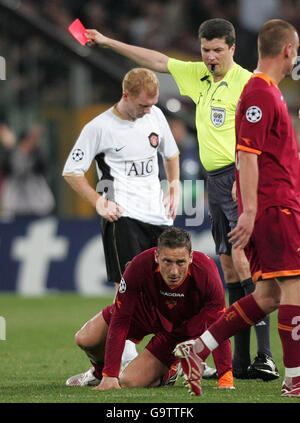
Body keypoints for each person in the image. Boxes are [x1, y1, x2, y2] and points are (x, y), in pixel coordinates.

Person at [84, 18, 278, 380]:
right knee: (230, 266)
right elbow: (157, 61)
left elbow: (267, 134)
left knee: (243, 258)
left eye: (218, 50)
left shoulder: (248, 84)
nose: (211, 57)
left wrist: (249, 177)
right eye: (206, 50)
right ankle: (239, 359)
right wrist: (109, 41)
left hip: (238, 177)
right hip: (214, 181)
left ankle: (265, 356)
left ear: (233, 49)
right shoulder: (200, 76)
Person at [174, 19, 300, 397]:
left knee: (268, 297)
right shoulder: (260, 91)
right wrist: (248, 211)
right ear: (288, 51)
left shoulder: (263, 90)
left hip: (272, 204)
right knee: (294, 289)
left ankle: (198, 350)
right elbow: (246, 155)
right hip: (274, 206)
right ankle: (294, 378)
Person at [62, 67, 180, 370]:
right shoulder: (99, 127)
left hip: (158, 215)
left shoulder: (154, 115)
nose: (147, 111)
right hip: (123, 215)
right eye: (142, 105)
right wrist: (98, 201)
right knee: (127, 287)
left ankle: (176, 351)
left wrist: (174, 186)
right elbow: (72, 171)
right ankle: (123, 356)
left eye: (152, 104)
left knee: (170, 285)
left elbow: (171, 153)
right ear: (125, 95)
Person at [65, 227, 234, 390]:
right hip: (145, 313)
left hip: (179, 331)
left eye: (180, 262)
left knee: (129, 381)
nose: (174, 271)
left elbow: (218, 327)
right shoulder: (139, 265)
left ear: (190, 257)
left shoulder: (206, 272)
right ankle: (99, 374)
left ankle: (169, 372)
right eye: (167, 261)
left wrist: (225, 379)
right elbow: (120, 319)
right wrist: (110, 374)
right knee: (85, 339)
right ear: (156, 256)